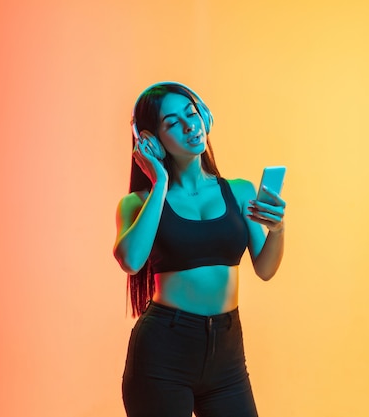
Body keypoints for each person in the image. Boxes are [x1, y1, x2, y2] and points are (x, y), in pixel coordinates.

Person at [113, 82, 286, 417]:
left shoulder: (239, 191)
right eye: (172, 122)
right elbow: (132, 261)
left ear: (205, 115)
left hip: (227, 354)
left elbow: (265, 269)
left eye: (191, 114)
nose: (190, 125)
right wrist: (159, 181)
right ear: (150, 140)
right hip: (163, 356)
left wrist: (278, 229)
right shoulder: (137, 203)